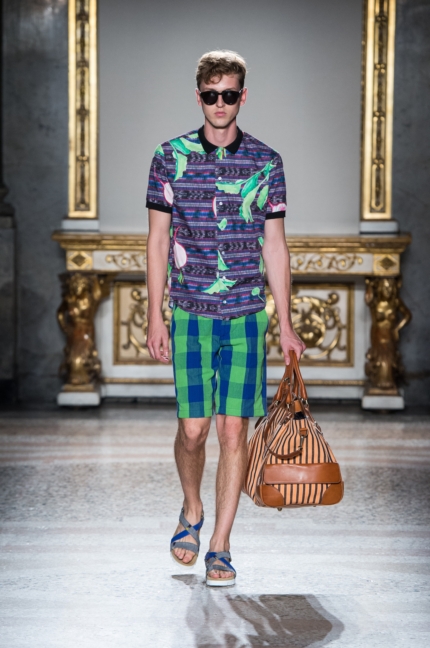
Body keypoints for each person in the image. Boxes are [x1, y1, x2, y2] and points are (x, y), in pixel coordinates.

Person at [146, 50, 305, 587]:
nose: (220, 103)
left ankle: (220, 544)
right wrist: (155, 315)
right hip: (190, 311)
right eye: (211, 95)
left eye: (229, 94)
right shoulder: (168, 157)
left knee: (233, 429)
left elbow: (275, 246)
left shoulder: (267, 162)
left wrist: (285, 323)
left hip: (244, 314)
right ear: (199, 97)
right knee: (193, 431)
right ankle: (192, 508)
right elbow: (158, 241)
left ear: (242, 97)